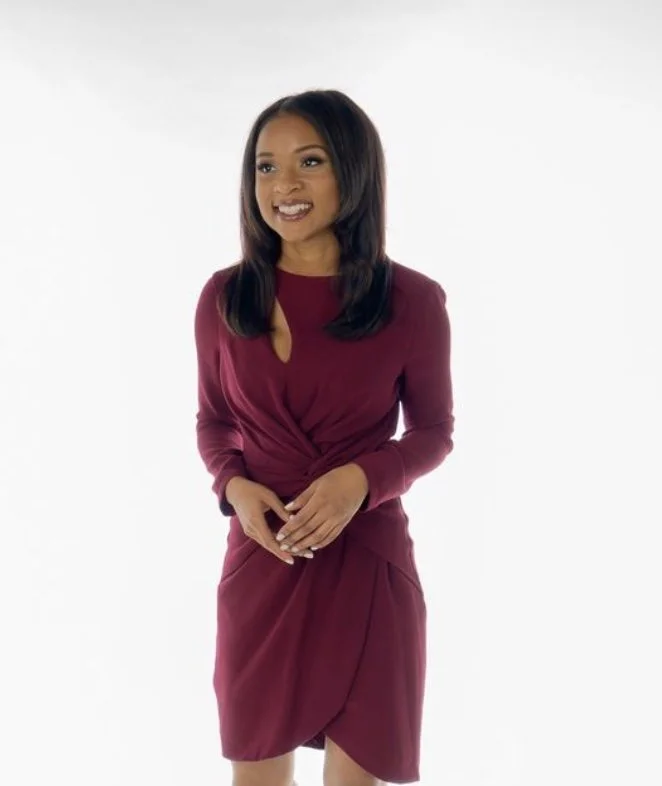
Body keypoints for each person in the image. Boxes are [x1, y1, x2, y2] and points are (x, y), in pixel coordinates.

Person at [194, 89, 454, 786]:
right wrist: (234, 488)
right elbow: (213, 421)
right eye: (265, 166)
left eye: (309, 162)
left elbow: (434, 431)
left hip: (367, 560)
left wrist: (362, 480)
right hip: (263, 558)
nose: (284, 185)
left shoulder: (412, 300)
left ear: (353, 171)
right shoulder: (223, 296)